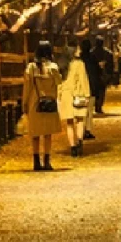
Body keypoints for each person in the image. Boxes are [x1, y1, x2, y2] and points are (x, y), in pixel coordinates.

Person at [22, 39, 63, 171]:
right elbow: (59, 83)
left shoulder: (31, 68)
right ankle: (47, 160)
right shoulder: (53, 68)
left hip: (35, 103)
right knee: (47, 134)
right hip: (49, 102)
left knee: (35, 133)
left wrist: (25, 103)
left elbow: (27, 88)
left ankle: (36, 161)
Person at [58, 42, 92, 157]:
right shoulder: (79, 64)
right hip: (78, 94)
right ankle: (80, 143)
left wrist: (59, 95)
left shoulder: (63, 65)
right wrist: (87, 94)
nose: (80, 51)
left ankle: (72, 147)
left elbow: (59, 81)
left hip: (66, 95)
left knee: (69, 123)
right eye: (78, 49)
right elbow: (83, 79)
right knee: (80, 121)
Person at [79, 38, 99, 138]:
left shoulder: (78, 59)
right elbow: (97, 72)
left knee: (80, 110)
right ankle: (87, 130)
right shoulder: (93, 58)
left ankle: (80, 130)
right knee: (89, 110)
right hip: (91, 86)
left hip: (79, 88)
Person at [92, 37, 113, 115]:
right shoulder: (107, 53)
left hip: (94, 75)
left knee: (95, 91)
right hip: (103, 75)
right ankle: (99, 106)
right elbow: (111, 65)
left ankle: (97, 106)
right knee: (102, 91)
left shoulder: (91, 53)